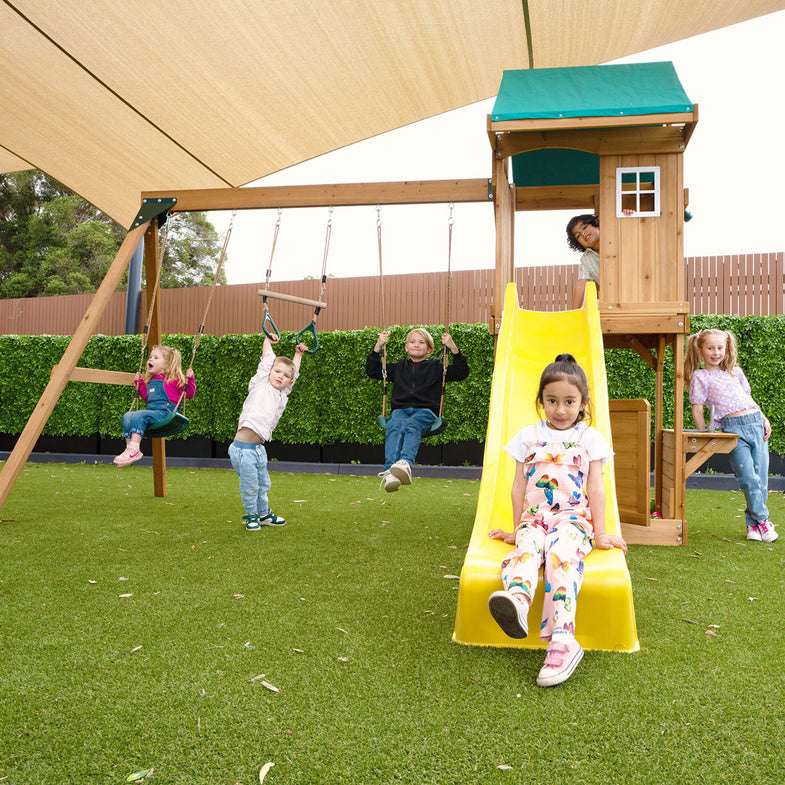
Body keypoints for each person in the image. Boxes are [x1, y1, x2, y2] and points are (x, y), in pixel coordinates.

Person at [487, 353, 626, 687]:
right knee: (526, 552)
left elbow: (596, 486)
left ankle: (564, 641)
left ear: (582, 403)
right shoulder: (528, 436)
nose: (560, 410)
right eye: (552, 401)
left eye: (569, 401)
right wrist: (518, 525)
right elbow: (519, 484)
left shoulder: (588, 438)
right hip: (535, 520)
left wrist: (602, 532)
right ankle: (518, 603)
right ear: (541, 401)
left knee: (560, 557)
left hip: (572, 521)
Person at [685, 328, 777, 543]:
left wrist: (764, 418)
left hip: (756, 423)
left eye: (720, 348)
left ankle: (752, 526)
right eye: (710, 348)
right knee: (747, 478)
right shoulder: (701, 376)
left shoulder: (735, 371)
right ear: (700, 351)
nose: (716, 352)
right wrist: (703, 434)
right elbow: (697, 408)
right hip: (733, 430)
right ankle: (764, 520)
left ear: (726, 349)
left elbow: (747, 397)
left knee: (760, 479)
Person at [366, 328, 469, 492]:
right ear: (406, 347)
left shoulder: (436, 367)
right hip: (400, 410)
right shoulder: (398, 367)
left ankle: (405, 464)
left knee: (412, 425)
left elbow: (461, 372)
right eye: (412, 342)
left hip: (425, 412)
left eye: (421, 342)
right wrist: (378, 346)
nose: (416, 345)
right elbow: (372, 370)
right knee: (395, 425)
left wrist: (453, 347)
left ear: (429, 349)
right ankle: (390, 471)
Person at [229, 335, 308, 531]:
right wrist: (267, 341)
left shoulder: (282, 395)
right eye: (277, 371)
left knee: (263, 483)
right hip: (242, 450)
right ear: (269, 372)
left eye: (285, 375)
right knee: (250, 485)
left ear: (289, 382)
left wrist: (298, 354)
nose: (280, 375)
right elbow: (266, 359)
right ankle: (251, 515)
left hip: (257, 449)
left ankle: (263, 514)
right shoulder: (261, 383)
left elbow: (294, 372)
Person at [114, 344, 195, 466]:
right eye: (150, 357)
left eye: (156, 358)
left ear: (167, 364)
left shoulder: (174, 379)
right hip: (152, 413)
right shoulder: (151, 381)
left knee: (139, 415)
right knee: (128, 416)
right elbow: (147, 398)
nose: (150, 359)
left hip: (166, 414)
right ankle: (129, 449)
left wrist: (191, 379)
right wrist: (140, 383)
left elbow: (188, 394)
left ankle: (135, 449)